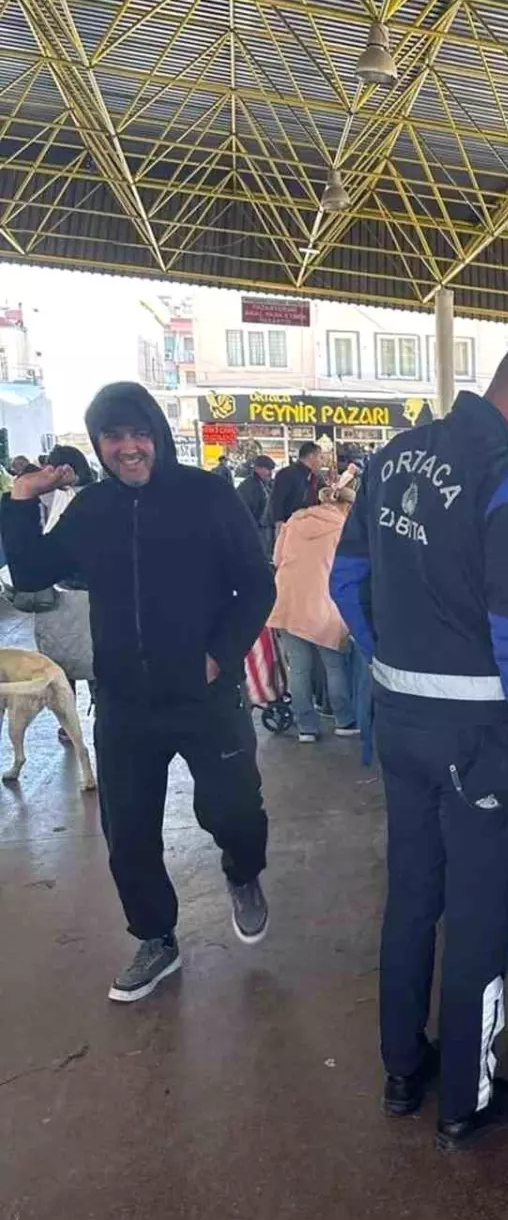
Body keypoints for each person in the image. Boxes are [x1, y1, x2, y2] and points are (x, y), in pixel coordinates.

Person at [331, 333, 508, 1151]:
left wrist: (395, 662)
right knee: (478, 922)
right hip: (478, 743)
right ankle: (465, 1101)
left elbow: (346, 581)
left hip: (400, 726)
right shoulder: (505, 486)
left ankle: (403, 1072)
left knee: (412, 897)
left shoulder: (395, 457)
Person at [0, 382, 276, 1002]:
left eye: (139, 433)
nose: (128, 448)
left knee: (236, 809)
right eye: (114, 437)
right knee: (128, 831)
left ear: (157, 434)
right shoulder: (93, 508)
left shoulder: (207, 495)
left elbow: (257, 585)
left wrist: (218, 656)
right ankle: (156, 938)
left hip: (206, 696)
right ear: (99, 444)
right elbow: (32, 573)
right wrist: (21, 498)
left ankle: (243, 871)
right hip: (125, 701)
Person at [269, 486, 359, 743]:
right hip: (323, 604)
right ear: (348, 507)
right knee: (334, 665)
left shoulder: (295, 521)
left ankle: (307, 728)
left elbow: (277, 559)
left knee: (298, 668)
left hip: (288, 600)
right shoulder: (344, 528)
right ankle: (344, 720)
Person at [32, 446, 97, 732]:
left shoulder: (90, 497)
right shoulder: (56, 494)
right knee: (64, 659)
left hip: (82, 591)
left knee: (87, 656)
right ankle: (70, 722)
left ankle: (93, 717)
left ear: (68, 469)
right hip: (66, 590)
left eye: (53, 469)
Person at [271, 441, 322, 528]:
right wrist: (279, 523)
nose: (321, 461)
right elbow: (277, 501)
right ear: (311, 456)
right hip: (290, 526)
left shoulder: (313, 476)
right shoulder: (287, 474)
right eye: (320, 457)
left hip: (307, 525)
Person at [237, 454, 276, 558]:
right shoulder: (248, 486)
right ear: (258, 468)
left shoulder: (266, 484)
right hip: (256, 529)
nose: (270, 473)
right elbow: (244, 511)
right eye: (268, 469)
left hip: (265, 529)